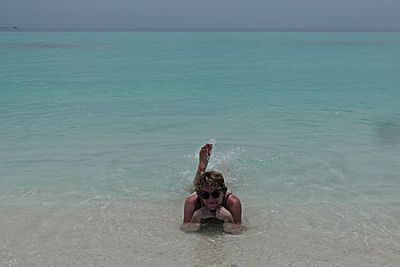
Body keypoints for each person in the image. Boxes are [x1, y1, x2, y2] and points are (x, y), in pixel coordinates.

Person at [181, 144, 243, 233]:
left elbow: (238, 231)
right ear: (199, 195)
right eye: (205, 195)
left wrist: (228, 218)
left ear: (224, 192)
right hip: (200, 191)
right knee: (196, 186)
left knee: (207, 185)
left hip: (219, 192)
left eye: (215, 194)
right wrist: (196, 217)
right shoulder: (192, 201)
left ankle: (207, 168)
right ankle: (201, 169)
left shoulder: (233, 202)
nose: (211, 199)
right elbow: (185, 230)